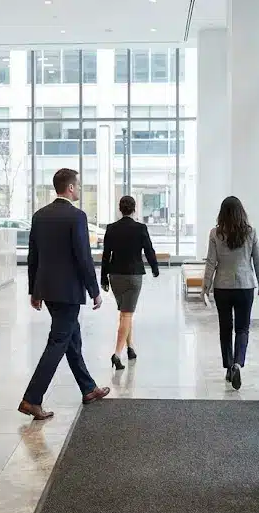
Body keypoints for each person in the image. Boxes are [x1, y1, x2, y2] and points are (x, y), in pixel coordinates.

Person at [18, 168, 111, 420]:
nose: (79, 189)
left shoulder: (39, 216)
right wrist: (95, 291)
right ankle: (32, 399)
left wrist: (34, 290)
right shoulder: (76, 216)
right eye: (78, 186)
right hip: (68, 291)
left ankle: (88, 388)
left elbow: (33, 256)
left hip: (47, 290)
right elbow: (83, 257)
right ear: (70, 188)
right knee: (58, 341)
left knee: (72, 339)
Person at [202, 196, 259, 391]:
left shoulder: (215, 234)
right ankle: (238, 363)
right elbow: (258, 261)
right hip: (246, 286)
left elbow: (211, 262)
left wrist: (206, 285)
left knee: (225, 328)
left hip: (222, 286)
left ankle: (228, 366)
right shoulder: (251, 233)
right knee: (242, 328)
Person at [100, 195, 160, 371]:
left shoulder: (111, 229)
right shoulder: (140, 228)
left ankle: (130, 347)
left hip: (115, 276)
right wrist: (155, 268)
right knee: (127, 314)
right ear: (134, 209)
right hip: (133, 276)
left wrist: (103, 278)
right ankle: (117, 354)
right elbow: (149, 250)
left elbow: (105, 256)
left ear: (120, 209)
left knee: (125, 313)